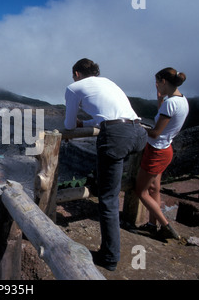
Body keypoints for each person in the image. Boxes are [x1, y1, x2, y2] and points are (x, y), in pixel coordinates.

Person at [64, 58, 147, 271]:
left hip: (116, 137)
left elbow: (69, 125)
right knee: (107, 172)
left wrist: (77, 124)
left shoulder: (74, 87)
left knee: (108, 200)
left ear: (76, 73)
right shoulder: (107, 82)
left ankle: (109, 258)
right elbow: (108, 116)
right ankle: (99, 179)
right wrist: (89, 123)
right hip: (139, 133)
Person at [134, 68, 189, 240]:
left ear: (164, 82)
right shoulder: (181, 100)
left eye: (157, 82)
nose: (156, 86)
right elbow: (164, 121)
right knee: (154, 188)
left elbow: (156, 132)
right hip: (165, 149)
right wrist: (160, 101)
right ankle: (152, 225)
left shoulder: (170, 104)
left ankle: (165, 226)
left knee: (141, 191)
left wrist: (138, 127)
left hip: (156, 151)